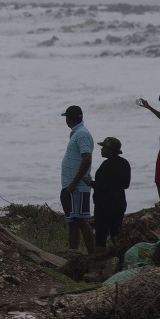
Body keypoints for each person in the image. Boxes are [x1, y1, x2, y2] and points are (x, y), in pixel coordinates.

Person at [83, 137, 131, 254]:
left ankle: (99, 262)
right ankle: (122, 257)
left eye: (103, 147)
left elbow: (102, 186)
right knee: (116, 232)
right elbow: (126, 184)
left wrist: (89, 182)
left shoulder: (106, 165)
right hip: (120, 202)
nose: (101, 149)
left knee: (101, 234)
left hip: (105, 204)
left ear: (110, 149)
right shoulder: (125, 163)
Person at [60, 105, 95, 255]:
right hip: (71, 186)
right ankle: (73, 254)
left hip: (77, 187)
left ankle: (92, 255)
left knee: (81, 221)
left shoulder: (81, 134)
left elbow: (86, 159)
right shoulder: (77, 133)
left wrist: (74, 183)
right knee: (72, 222)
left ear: (68, 119)